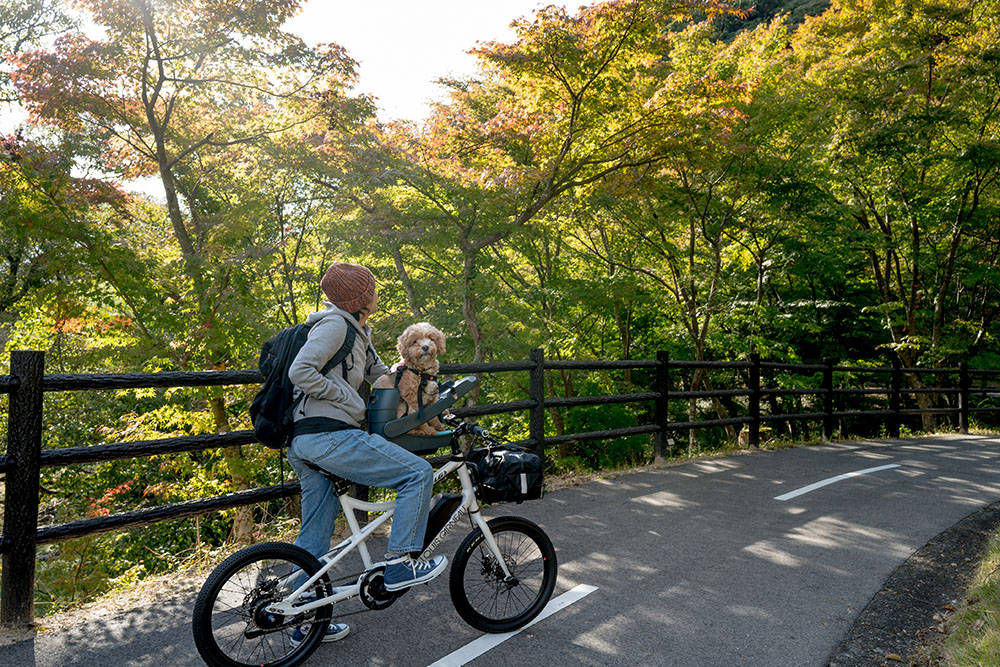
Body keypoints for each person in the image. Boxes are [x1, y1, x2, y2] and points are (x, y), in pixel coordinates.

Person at [285, 261, 447, 646]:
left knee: (314, 537)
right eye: (371, 288)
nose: (375, 293)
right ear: (358, 298)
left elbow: (380, 374)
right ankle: (400, 564)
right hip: (329, 436)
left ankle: (300, 616)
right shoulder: (335, 326)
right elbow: (301, 371)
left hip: (307, 442)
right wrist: (347, 400)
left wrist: (420, 388)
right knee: (417, 473)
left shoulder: (357, 331)